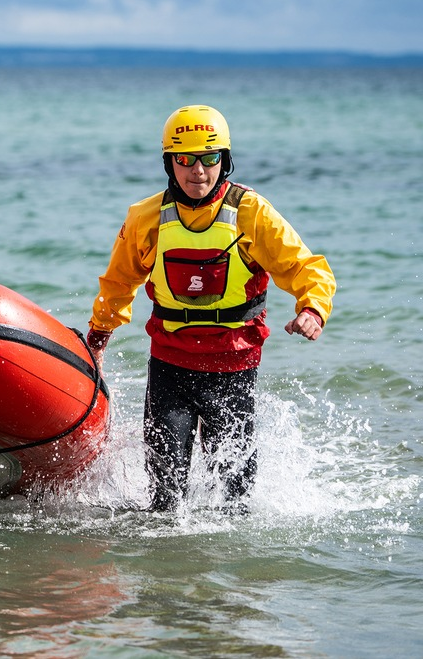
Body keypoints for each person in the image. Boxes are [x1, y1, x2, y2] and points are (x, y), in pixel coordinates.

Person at [86, 104, 335, 513]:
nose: (197, 171)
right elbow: (118, 283)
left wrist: (313, 308)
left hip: (234, 365)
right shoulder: (146, 218)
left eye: (210, 158)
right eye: (185, 159)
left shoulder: (252, 214)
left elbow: (306, 267)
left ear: (226, 160)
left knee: (235, 500)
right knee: (165, 498)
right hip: (170, 364)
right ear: (169, 163)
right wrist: (98, 335)